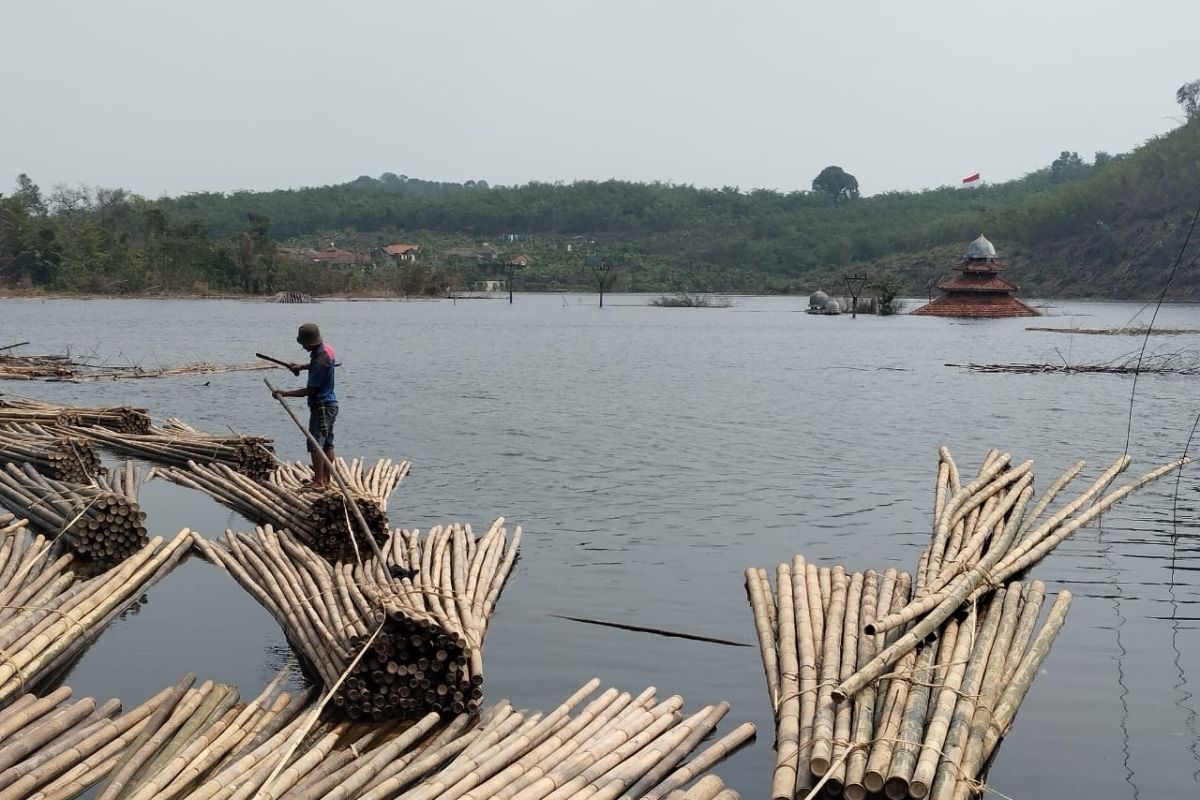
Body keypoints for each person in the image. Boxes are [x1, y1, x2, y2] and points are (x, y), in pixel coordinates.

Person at [272, 322, 337, 490]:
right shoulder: (326, 351)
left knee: (316, 444)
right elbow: (316, 365)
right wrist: (301, 367)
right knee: (327, 444)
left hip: (321, 406)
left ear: (309, 343)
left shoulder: (320, 359)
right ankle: (326, 480)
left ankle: (319, 482)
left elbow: (310, 390)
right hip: (330, 405)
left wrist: (284, 394)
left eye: (303, 345)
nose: (303, 348)